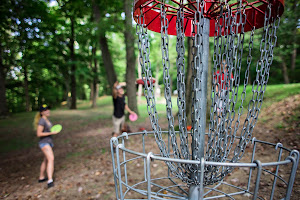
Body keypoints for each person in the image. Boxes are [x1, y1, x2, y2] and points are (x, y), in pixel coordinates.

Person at [33, 104, 59, 188]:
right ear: (41, 112)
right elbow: (39, 134)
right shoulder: (42, 121)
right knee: (51, 159)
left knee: (46, 160)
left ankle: (41, 177)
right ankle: (50, 181)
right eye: (45, 110)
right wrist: (52, 133)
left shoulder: (47, 120)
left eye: (48, 109)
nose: (47, 111)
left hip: (49, 142)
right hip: (44, 143)